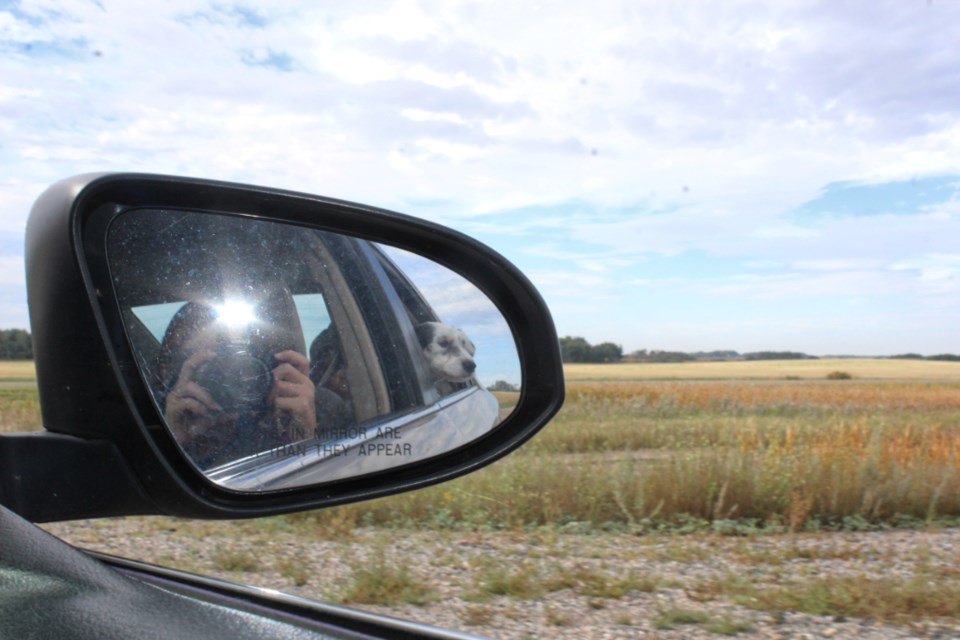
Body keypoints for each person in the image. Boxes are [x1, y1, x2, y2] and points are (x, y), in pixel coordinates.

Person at [156, 300, 316, 469]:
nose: (226, 381)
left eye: (238, 368)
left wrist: (303, 437)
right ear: (169, 375)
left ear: (261, 367)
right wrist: (173, 442)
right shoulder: (150, 426)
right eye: (208, 369)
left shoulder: (276, 417)